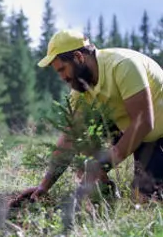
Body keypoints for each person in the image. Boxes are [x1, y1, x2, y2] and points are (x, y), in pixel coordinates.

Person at [22, 29, 163, 202]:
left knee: (145, 201)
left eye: (63, 69)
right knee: (81, 139)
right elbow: (69, 139)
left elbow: (143, 123)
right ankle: (104, 189)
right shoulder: (81, 89)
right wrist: (44, 187)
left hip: (156, 134)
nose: (62, 77)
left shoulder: (124, 65)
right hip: (131, 128)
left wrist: (103, 164)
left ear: (78, 57)